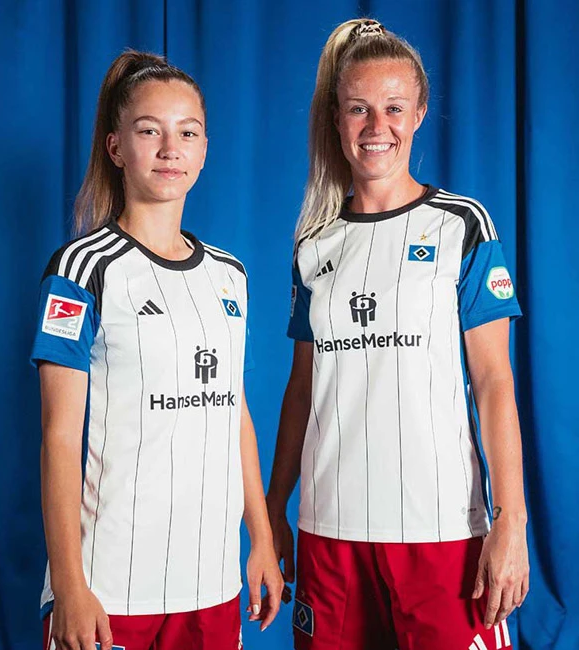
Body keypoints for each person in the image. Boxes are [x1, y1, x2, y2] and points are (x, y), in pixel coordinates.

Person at [266, 19, 530, 650]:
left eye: (393, 108)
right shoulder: (314, 245)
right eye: (358, 108)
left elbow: (494, 381)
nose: (376, 126)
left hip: (440, 530)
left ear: (419, 114)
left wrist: (511, 520)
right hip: (330, 531)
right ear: (337, 118)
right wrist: (274, 510)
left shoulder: (462, 226)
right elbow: (302, 389)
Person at [30, 50, 282, 650]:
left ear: (205, 149)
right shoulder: (82, 269)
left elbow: (234, 415)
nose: (171, 149)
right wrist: (69, 584)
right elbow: (58, 437)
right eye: (150, 131)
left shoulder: (229, 275)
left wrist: (263, 540)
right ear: (116, 147)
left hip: (210, 585)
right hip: (109, 587)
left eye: (187, 133)